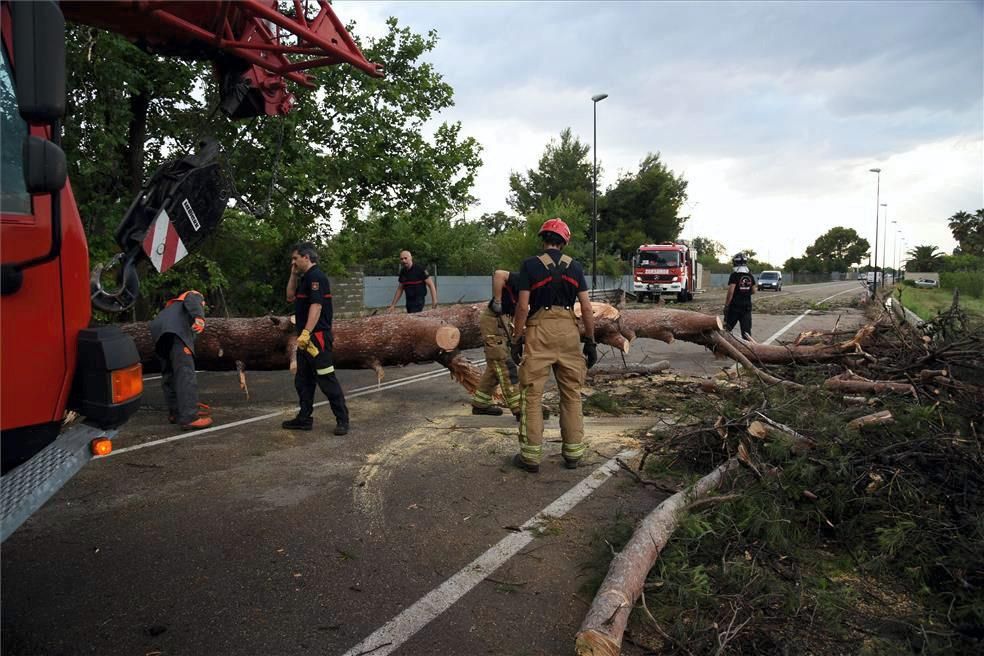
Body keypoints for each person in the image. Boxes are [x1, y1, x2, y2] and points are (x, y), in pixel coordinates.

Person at [510, 218, 597, 473]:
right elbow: (588, 308)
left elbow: (523, 306)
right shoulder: (576, 267)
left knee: (532, 395)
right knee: (571, 394)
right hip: (569, 331)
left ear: (543, 239)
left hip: (540, 331)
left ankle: (531, 457)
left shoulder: (530, 266)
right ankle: (573, 454)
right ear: (564, 241)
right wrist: (589, 341)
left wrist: (517, 338)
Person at [282, 242, 350, 435]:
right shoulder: (304, 278)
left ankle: (342, 420)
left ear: (306, 257)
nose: (293, 262)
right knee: (303, 381)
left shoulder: (317, 278)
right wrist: (294, 274)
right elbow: (289, 296)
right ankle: (304, 419)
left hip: (317, 338)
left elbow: (317, 306)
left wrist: (306, 333)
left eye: (295, 258)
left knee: (326, 379)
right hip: (305, 339)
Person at [150, 289, 213, 430]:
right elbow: (192, 297)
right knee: (185, 374)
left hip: (159, 333)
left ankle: (176, 412)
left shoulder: (170, 309)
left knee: (170, 375)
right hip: (176, 333)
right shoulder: (192, 295)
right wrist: (199, 318)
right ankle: (190, 417)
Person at [471, 270, 522, 417]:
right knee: (505, 365)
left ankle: (480, 404)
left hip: (503, 322)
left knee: (494, 369)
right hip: (492, 320)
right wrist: (498, 301)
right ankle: (518, 408)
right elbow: (499, 274)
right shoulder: (522, 278)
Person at [724, 252, 756, 340]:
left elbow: (731, 291)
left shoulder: (734, 275)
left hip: (735, 307)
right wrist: (745, 292)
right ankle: (750, 350)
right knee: (746, 333)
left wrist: (727, 305)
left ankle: (723, 347)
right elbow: (754, 290)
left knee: (726, 329)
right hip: (746, 307)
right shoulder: (749, 275)